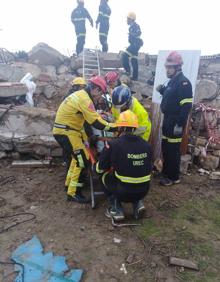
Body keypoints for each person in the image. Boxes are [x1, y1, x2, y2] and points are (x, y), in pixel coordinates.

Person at [53, 76, 117, 203]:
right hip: (67, 132)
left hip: (67, 131)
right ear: (96, 89)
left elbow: (81, 120)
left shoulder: (81, 95)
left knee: (76, 159)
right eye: (101, 94)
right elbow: (96, 122)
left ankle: (68, 186)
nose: (99, 98)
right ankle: (73, 193)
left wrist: (85, 138)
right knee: (82, 160)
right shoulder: (85, 99)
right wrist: (115, 128)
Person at [96, 110, 152, 220]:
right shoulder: (146, 145)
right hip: (144, 190)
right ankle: (138, 205)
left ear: (120, 128)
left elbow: (101, 167)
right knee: (135, 175)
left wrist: (94, 167)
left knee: (103, 176)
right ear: (135, 128)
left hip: (123, 192)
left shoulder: (114, 144)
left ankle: (117, 210)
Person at [156, 51, 193, 186]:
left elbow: (186, 106)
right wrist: (162, 90)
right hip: (168, 120)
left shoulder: (184, 83)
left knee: (173, 150)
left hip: (175, 121)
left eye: (170, 67)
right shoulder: (172, 82)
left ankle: (173, 177)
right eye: (167, 67)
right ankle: (166, 173)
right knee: (166, 148)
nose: (168, 69)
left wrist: (180, 124)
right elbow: (170, 96)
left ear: (178, 67)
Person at [121, 12, 143, 81]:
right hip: (135, 45)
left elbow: (139, 32)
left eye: (128, 19)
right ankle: (135, 77)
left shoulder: (135, 26)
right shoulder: (131, 27)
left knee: (124, 55)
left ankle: (127, 71)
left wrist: (133, 34)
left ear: (131, 19)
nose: (126, 20)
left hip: (135, 45)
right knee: (134, 60)